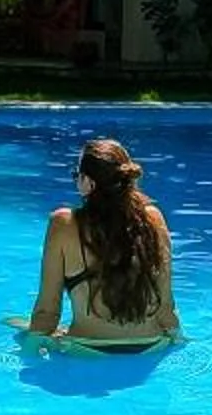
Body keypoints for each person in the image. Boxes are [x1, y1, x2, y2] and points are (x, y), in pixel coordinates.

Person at [25, 137, 181, 348]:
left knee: (14, 324)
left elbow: (47, 312)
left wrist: (31, 350)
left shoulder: (63, 223)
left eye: (76, 175)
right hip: (150, 345)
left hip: (87, 348)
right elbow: (166, 308)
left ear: (89, 183)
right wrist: (178, 340)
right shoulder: (154, 219)